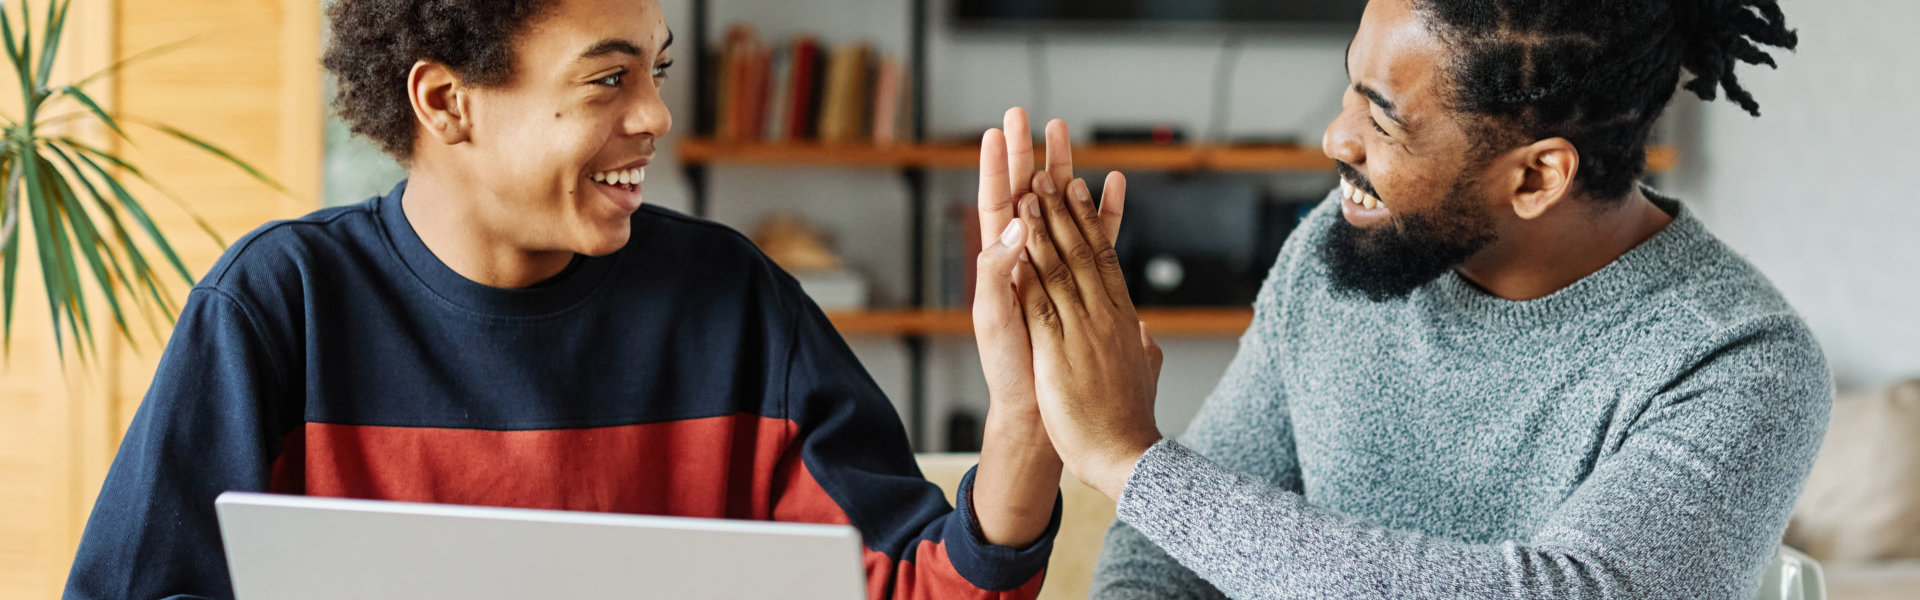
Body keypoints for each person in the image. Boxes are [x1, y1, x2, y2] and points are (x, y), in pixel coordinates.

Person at [64, 1, 1102, 598]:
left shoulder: (734, 306)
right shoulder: (277, 308)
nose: (655, 114)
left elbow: (927, 589)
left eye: (654, 69)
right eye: (608, 80)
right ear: (445, 102)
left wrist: (1025, 424)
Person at [977, 0, 1832, 598]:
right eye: (1350, 84)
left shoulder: (1739, 361)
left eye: (1382, 119)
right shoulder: (1332, 248)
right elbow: (1172, 565)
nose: (1334, 137)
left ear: (1537, 174)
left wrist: (1131, 465)